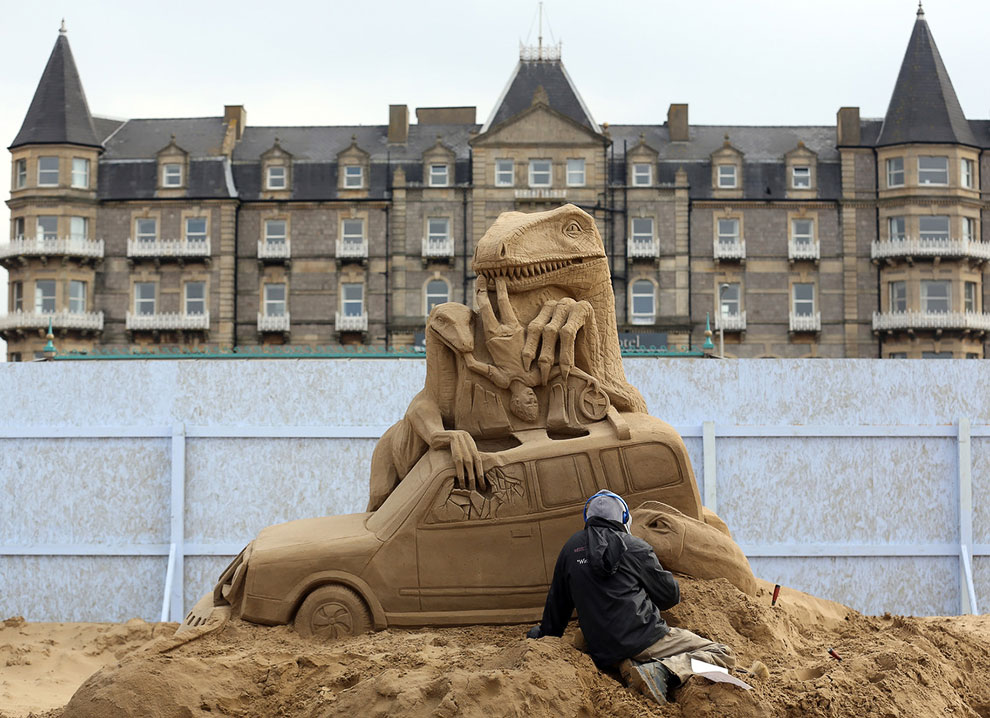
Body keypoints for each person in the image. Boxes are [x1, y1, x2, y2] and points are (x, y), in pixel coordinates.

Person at [526, 489, 735, 704]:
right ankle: (663, 669)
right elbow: (669, 596)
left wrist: (541, 633)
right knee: (722, 653)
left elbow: (557, 607)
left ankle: (627, 664)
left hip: (601, 649)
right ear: (624, 518)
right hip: (644, 639)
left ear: (587, 518)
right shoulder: (635, 547)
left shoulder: (570, 549)